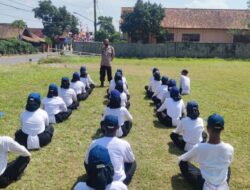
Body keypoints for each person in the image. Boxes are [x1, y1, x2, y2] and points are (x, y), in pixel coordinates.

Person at [178, 114, 234, 190]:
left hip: (205, 186)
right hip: (223, 186)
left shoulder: (200, 147)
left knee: (182, 163)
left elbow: (183, 158)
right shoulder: (229, 148)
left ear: (207, 128)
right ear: (222, 129)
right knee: (227, 167)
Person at [85, 115, 136, 186]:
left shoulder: (94, 143)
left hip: (98, 179)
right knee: (133, 163)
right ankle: (125, 178)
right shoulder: (124, 144)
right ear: (118, 127)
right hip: (118, 182)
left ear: (103, 126)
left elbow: (87, 163)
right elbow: (131, 160)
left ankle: (96, 178)